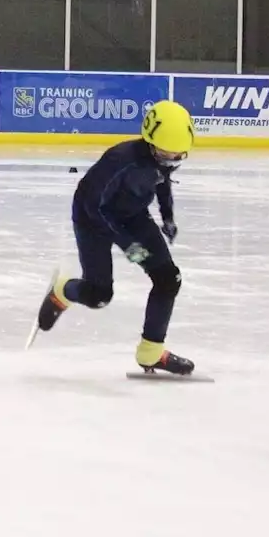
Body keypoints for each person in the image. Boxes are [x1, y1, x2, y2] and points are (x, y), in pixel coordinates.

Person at [30, 99, 196, 376]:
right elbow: (96, 207)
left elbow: (162, 181)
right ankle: (62, 291)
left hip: (132, 213)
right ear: (150, 141)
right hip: (91, 217)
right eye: (167, 154)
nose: (172, 161)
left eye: (178, 156)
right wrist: (126, 243)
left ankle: (151, 352)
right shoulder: (121, 160)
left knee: (169, 279)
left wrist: (167, 217)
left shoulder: (161, 159)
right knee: (99, 296)